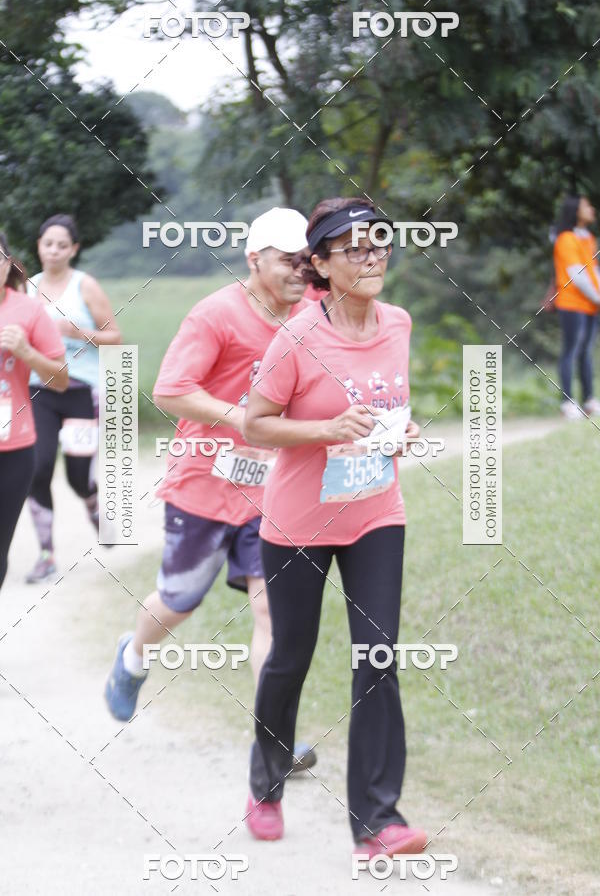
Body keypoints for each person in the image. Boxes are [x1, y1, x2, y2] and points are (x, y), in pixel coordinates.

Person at [242, 197, 427, 858]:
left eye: (379, 242)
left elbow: (387, 403)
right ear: (319, 262)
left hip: (377, 512)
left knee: (378, 660)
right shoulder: (297, 336)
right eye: (353, 247)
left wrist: (399, 430)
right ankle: (265, 784)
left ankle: (378, 822)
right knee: (290, 658)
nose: (371, 255)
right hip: (297, 524)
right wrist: (324, 430)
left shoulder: (398, 323)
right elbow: (255, 423)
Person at [104, 208, 317, 772]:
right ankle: (134, 655)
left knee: (271, 608)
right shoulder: (217, 315)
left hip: (272, 490)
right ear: (255, 259)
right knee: (179, 601)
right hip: (203, 482)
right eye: (288, 260)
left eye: (306, 259)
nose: (301, 270)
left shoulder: (314, 313)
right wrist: (240, 417)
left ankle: (275, 738)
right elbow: (170, 389)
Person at [25, 214, 122, 582]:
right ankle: (46, 554)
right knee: (38, 467)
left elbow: (116, 337)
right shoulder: (28, 288)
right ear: (39, 246)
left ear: (74, 249)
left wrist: (78, 332)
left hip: (81, 391)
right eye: (48, 244)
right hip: (41, 389)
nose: (54, 251)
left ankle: (94, 506)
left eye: (62, 245)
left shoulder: (86, 286)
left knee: (78, 476)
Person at [0, 232, 68, 592]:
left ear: (8, 264)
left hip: (11, 450)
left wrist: (26, 352)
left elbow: (59, 380)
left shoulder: (27, 310)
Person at [553, 195, 600, 420]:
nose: (591, 209)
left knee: (586, 353)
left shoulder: (589, 238)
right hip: (571, 303)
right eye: (586, 206)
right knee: (570, 352)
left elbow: (594, 272)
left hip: (591, 305)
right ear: (575, 211)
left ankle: (589, 400)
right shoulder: (566, 239)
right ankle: (567, 403)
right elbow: (577, 276)